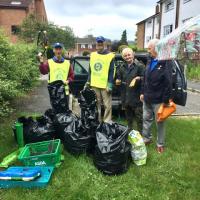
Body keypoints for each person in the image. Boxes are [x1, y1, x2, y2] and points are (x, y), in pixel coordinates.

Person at [140, 39, 172, 153]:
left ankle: (160, 144)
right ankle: (146, 138)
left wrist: (165, 101)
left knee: (160, 122)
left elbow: (168, 83)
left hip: (159, 99)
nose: (148, 51)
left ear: (156, 48)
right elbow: (145, 78)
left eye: (149, 48)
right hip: (147, 97)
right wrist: (142, 92)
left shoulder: (165, 61)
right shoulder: (149, 60)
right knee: (146, 119)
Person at [85, 36, 115, 122]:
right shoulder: (93, 55)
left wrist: (109, 84)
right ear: (96, 44)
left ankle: (106, 122)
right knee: (96, 104)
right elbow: (90, 70)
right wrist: (88, 81)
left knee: (107, 105)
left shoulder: (110, 56)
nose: (99, 44)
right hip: (94, 84)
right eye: (98, 43)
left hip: (105, 85)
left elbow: (111, 71)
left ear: (104, 44)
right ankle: (97, 121)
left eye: (101, 43)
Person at [116, 48, 144, 132]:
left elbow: (145, 79)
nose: (127, 57)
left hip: (136, 96)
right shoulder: (121, 67)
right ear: (123, 57)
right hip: (126, 96)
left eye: (129, 55)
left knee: (139, 118)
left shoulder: (140, 66)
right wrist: (117, 81)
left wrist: (137, 78)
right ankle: (129, 133)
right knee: (128, 118)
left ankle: (141, 136)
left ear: (133, 55)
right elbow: (118, 78)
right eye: (125, 55)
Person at [38, 42, 74, 109]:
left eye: (60, 49)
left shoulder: (67, 63)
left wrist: (68, 81)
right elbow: (43, 72)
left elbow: (71, 75)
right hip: (53, 91)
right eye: (56, 49)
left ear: (62, 50)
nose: (58, 51)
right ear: (54, 50)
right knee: (55, 109)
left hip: (64, 90)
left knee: (65, 109)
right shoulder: (49, 62)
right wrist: (41, 62)